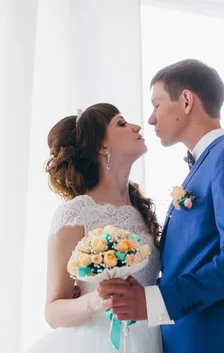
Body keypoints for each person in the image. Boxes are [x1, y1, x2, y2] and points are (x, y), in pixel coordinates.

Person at [98, 59, 224, 352]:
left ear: (187, 100)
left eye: (157, 104)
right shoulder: (205, 166)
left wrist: (155, 301)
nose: (151, 119)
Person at [28, 103, 163, 353]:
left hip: (150, 341)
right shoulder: (76, 213)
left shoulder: (141, 210)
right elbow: (53, 311)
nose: (137, 126)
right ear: (103, 147)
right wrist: (95, 301)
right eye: (121, 123)